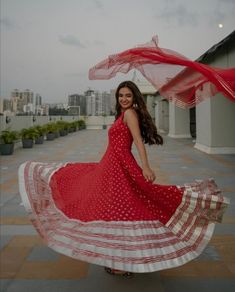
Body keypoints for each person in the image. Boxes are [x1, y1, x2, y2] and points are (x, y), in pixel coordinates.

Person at [19, 80, 229, 279]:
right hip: (109, 166)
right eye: (121, 95)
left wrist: (145, 166)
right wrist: (103, 164)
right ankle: (119, 259)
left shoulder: (129, 114)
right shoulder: (121, 114)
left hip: (122, 167)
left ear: (134, 97)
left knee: (125, 209)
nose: (124, 99)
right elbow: (114, 144)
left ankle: (122, 262)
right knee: (112, 209)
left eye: (128, 95)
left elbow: (137, 141)